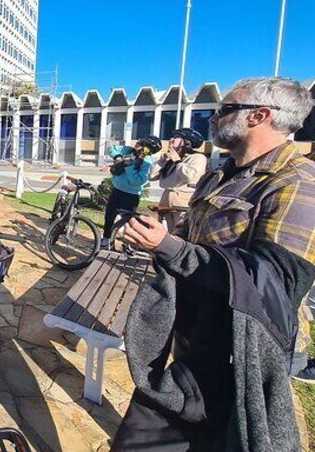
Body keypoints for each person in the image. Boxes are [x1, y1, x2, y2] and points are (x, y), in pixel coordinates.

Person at [113, 77, 315, 450]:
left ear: (260, 115)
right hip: (191, 325)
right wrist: (158, 238)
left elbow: (273, 282)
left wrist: (169, 247)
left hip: (236, 348)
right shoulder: (221, 174)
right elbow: (191, 237)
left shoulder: (299, 183)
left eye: (224, 109)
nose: (213, 117)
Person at [101, 135, 162, 248]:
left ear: (147, 149)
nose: (137, 143)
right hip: (117, 190)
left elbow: (137, 181)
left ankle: (127, 244)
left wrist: (129, 167)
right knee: (109, 216)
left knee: (128, 221)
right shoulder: (128, 150)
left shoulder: (146, 161)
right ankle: (106, 239)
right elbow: (111, 148)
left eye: (141, 144)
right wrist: (118, 157)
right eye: (139, 141)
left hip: (131, 195)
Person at [148, 128, 207, 230]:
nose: (171, 139)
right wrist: (161, 162)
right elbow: (152, 176)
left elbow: (189, 176)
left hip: (183, 198)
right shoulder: (171, 158)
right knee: (169, 230)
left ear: (186, 142)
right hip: (166, 197)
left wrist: (177, 161)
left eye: (176, 137)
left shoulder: (197, 157)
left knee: (181, 229)